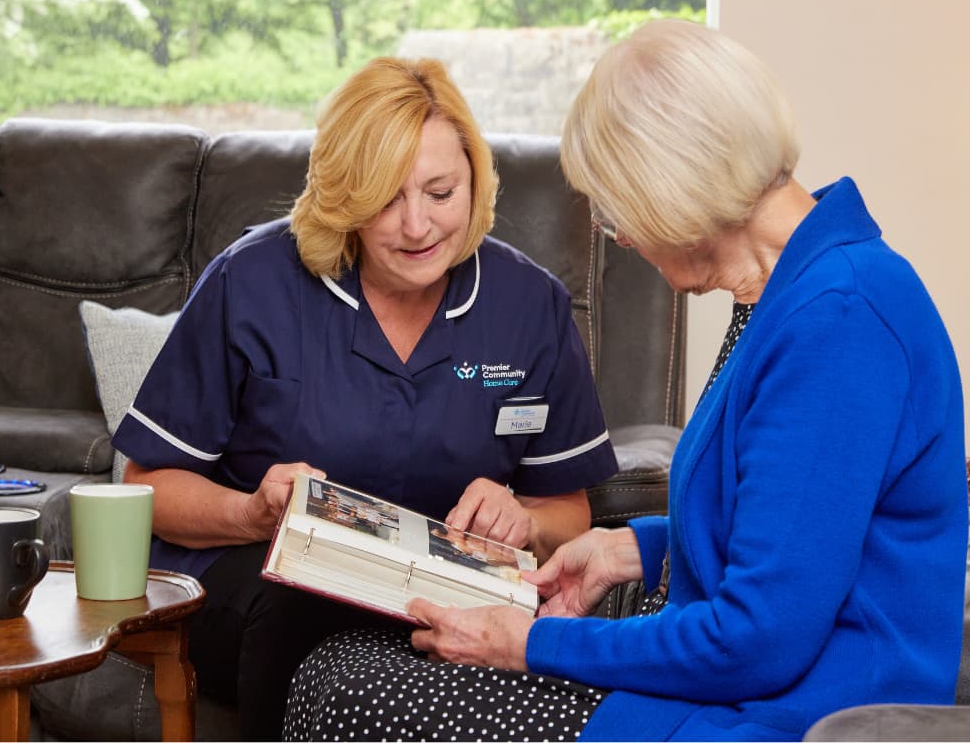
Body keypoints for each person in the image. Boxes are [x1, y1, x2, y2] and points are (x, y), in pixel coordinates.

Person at [283, 19, 969, 742]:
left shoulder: (838, 320)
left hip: (782, 718)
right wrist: (634, 547)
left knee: (352, 693)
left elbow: (758, 639)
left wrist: (528, 645)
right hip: (741, 693)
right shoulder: (792, 290)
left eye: (613, 207)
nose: (617, 234)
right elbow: (799, 532)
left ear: (673, 183)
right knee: (340, 667)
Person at [110, 56, 618, 740]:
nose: (417, 227)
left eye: (441, 193)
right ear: (344, 196)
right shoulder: (251, 281)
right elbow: (148, 486)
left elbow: (571, 514)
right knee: (293, 608)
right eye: (385, 198)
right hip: (258, 579)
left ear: (476, 180)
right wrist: (250, 512)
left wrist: (524, 521)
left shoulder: (531, 306)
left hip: (434, 586)